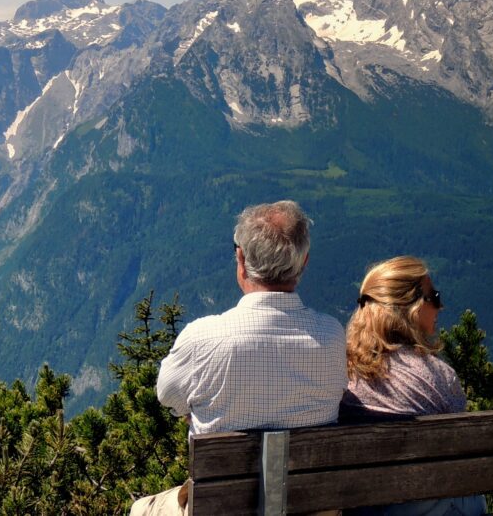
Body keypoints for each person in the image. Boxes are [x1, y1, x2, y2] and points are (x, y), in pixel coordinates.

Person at [131, 200, 347, 515]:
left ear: (241, 259)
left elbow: (167, 397)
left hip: (219, 508)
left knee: (141, 510)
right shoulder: (331, 335)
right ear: (304, 263)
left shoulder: (203, 338)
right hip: (311, 509)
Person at [340, 256, 487, 516]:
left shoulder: (340, 373)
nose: (441, 307)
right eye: (435, 297)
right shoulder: (438, 377)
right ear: (413, 308)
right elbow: (462, 457)